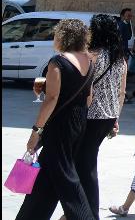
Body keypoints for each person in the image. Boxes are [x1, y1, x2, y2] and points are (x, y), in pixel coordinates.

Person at [16, 18, 95, 220]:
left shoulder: (58, 61)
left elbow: (52, 98)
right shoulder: (89, 60)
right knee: (46, 178)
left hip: (60, 124)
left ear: (62, 36)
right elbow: (89, 96)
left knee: (65, 175)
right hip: (79, 121)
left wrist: (36, 131)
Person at [76, 14, 128, 220]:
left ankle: (89, 213)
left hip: (90, 115)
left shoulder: (92, 55)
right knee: (86, 161)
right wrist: (116, 118)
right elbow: (122, 92)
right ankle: (80, 211)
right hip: (108, 116)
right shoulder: (120, 59)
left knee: (85, 164)